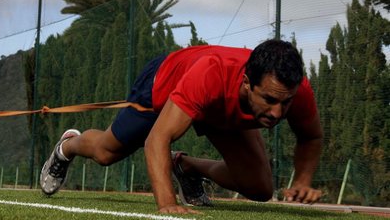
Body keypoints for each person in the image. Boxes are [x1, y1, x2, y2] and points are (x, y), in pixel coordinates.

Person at [40, 39, 323, 214]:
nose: (277, 113)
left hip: (219, 109)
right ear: (247, 83)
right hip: (163, 88)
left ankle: (186, 167)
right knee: (106, 153)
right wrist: (167, 204)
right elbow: (157, 140)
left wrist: (302, 180)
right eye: (270, 100)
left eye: (284, 103)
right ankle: (68, 146)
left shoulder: (295, 90)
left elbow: (310, 137)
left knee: (260, 189)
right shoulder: (211, 73)